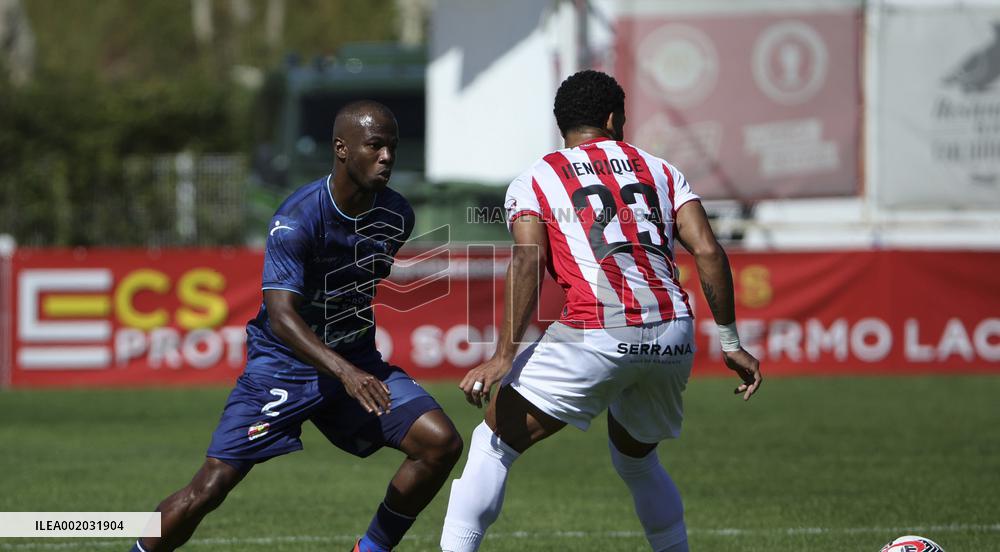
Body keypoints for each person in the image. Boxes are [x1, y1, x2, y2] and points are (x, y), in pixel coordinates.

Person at [439, 70, 762, 552]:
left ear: (561, 125)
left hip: (598, 329)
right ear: (614, 119)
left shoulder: (537, 177)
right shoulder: (660, 169)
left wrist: (503, 356)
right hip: (673, 328)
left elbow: (528, 259)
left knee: (494, 443)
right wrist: (732, 343)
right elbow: (710, 252)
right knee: (637, 462)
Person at [130, 100, 463, 552]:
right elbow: (282, 316)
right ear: (341, 148)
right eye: (375, 145)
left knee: (440, 444)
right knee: (208, 489)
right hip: (284, 367)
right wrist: (344, 372)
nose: (387, 157)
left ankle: (370, 549)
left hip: (355, 363)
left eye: (392, 147)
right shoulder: (298, 217)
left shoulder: (397, 215)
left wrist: (351, 364)